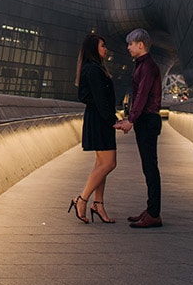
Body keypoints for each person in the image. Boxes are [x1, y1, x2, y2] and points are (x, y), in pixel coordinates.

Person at [115, 28, 164, 228]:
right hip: (146, 120)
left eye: (131, 44)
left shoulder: (148, 67)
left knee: (150, 167)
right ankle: (151, 209)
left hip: (148, 121)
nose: (128, 47)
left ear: (140, 45)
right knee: (148, 166)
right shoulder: (144, 65)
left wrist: (131, 121)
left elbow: (142, 95)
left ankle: (154, 213)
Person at [68, 33, 118, 224]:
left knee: (101, 165)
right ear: (94, 49)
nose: (106, 49)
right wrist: (113, 120)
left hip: (97, 119)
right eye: (103, 46)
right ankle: (82, 199)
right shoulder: (94, 70)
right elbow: (100, 99)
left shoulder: (92, 68)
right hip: (99, 121)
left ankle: (98, 205)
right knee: (109, 164)